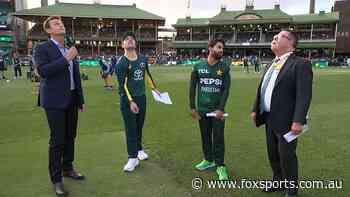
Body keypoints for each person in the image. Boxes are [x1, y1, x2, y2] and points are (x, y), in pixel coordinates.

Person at [251, 31, 313, 197]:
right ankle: (277, 182)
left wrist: (299, 120)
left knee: (287, 156)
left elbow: (304, 95)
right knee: (273, 154)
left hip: (288, 120)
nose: (274, 39)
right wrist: (255, 108)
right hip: (269, 117)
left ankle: (292, 190)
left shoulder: (301, 64)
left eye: (278, 37)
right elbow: (263, 88)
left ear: (290, 42)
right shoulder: (270, 63)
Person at [34, 16, 85, 197]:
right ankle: (57, 180)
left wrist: (80, 98)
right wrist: (66, 59)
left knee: (71, 135)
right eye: (56, 24)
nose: (60, 24)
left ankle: (68, 168)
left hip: (72, 98)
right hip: (54, 101)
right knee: (57, 140)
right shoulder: (41, 48)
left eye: (61, 23)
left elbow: (75, 75)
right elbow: (43, 71)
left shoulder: (69, 47)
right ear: (48, 30)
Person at [115, 32, 160, 172]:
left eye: (131, 39)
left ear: (135, 43)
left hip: (142, 98)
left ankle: (139, 149)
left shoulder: (142, 59)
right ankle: (132, 158)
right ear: (122, 45)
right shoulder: (121, 63)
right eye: (126, 40)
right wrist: (130, 101)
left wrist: (154, 89)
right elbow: (122, 85)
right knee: (131, 128)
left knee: (139, 126)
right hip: (128, 100)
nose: (129, 41)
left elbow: (147, 74)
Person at [189, 38, 231, 180]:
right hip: (202, 109)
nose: (221, 50)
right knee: (205, 136)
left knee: (218, 138)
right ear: (210, 48)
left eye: (222, 48)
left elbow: (226, 90)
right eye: (219, 47)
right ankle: (208, 159)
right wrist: (192, 107)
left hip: (218, 110)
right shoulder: (198, 66)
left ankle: (220, 165)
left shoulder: (224, 67)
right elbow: (192, 87)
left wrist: (221, 108)